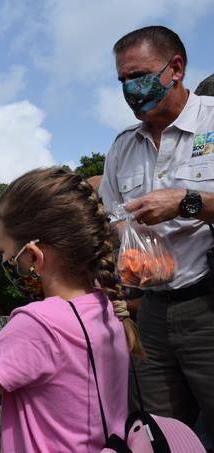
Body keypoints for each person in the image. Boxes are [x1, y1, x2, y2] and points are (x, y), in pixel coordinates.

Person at [0, 167, 143, 452]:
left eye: (6, 253)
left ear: (33, 256)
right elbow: (29, 364)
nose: (6, 261)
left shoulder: (38, 323)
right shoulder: (105, 307)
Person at [98, 25, 214, 440]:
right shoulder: (123, 147)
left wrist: (186, 201)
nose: (130, 89)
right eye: (123, 80)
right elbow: (113, 221)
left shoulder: (212, 122)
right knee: (156, 432)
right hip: (152, 314)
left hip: (207, 304)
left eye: (139, 76)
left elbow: (191, 204)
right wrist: (130, 250)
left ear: (176, 68)